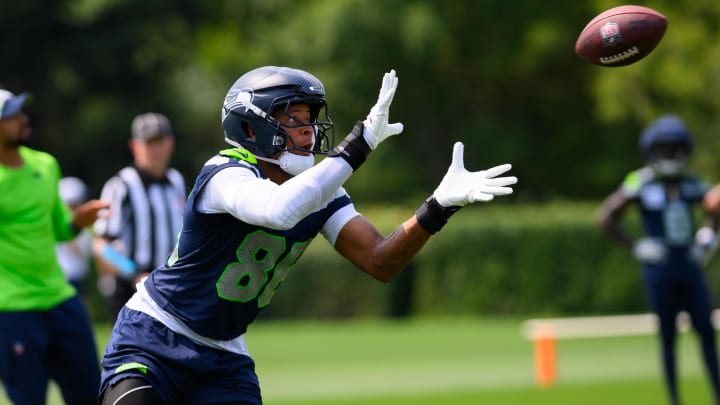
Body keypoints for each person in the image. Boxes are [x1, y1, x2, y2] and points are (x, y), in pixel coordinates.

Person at [97, 66, 518, 405]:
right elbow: (280, 210)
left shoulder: (322, 189)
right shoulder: (225, 173)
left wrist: (438, 206)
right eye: (292, 119)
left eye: (309, 119)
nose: (308, 131)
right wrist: (361, 143)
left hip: (224, 353)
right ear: (250, 129)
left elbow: (379, 260)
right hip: (154, 336)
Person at [596, 114, 720, 405]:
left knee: (705, 329)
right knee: (668, 336)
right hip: (659, 268)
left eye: (673, 147)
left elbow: (714, 209)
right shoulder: (640, 181)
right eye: (663, 147)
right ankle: (675, 400)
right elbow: (605, 217)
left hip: (689, 265)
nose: (668, 153)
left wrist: (708, 235)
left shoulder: (693, 181)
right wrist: (636, 246)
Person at [0, 88, 109, 404]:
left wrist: (79, 220)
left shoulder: (46, 165)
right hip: (11, 309)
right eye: (13, 115)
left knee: (92, 394)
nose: (24, 119)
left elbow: (61, 230)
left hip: (59, 298)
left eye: (22, 112)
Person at [93, 112, 186, 323]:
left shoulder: (176, 181)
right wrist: (133, 272)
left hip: (171, 287)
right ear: (135, 146)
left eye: (160, 142)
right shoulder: (121, 185)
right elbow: (100, 246)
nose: (156, 149)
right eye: (149, 143)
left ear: (170, 143)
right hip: (131, 290)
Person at [57, 176, 94, 297]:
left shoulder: (81, 223)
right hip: (62, 278)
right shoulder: (59, 220)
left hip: (76, 277)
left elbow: (83, 252)